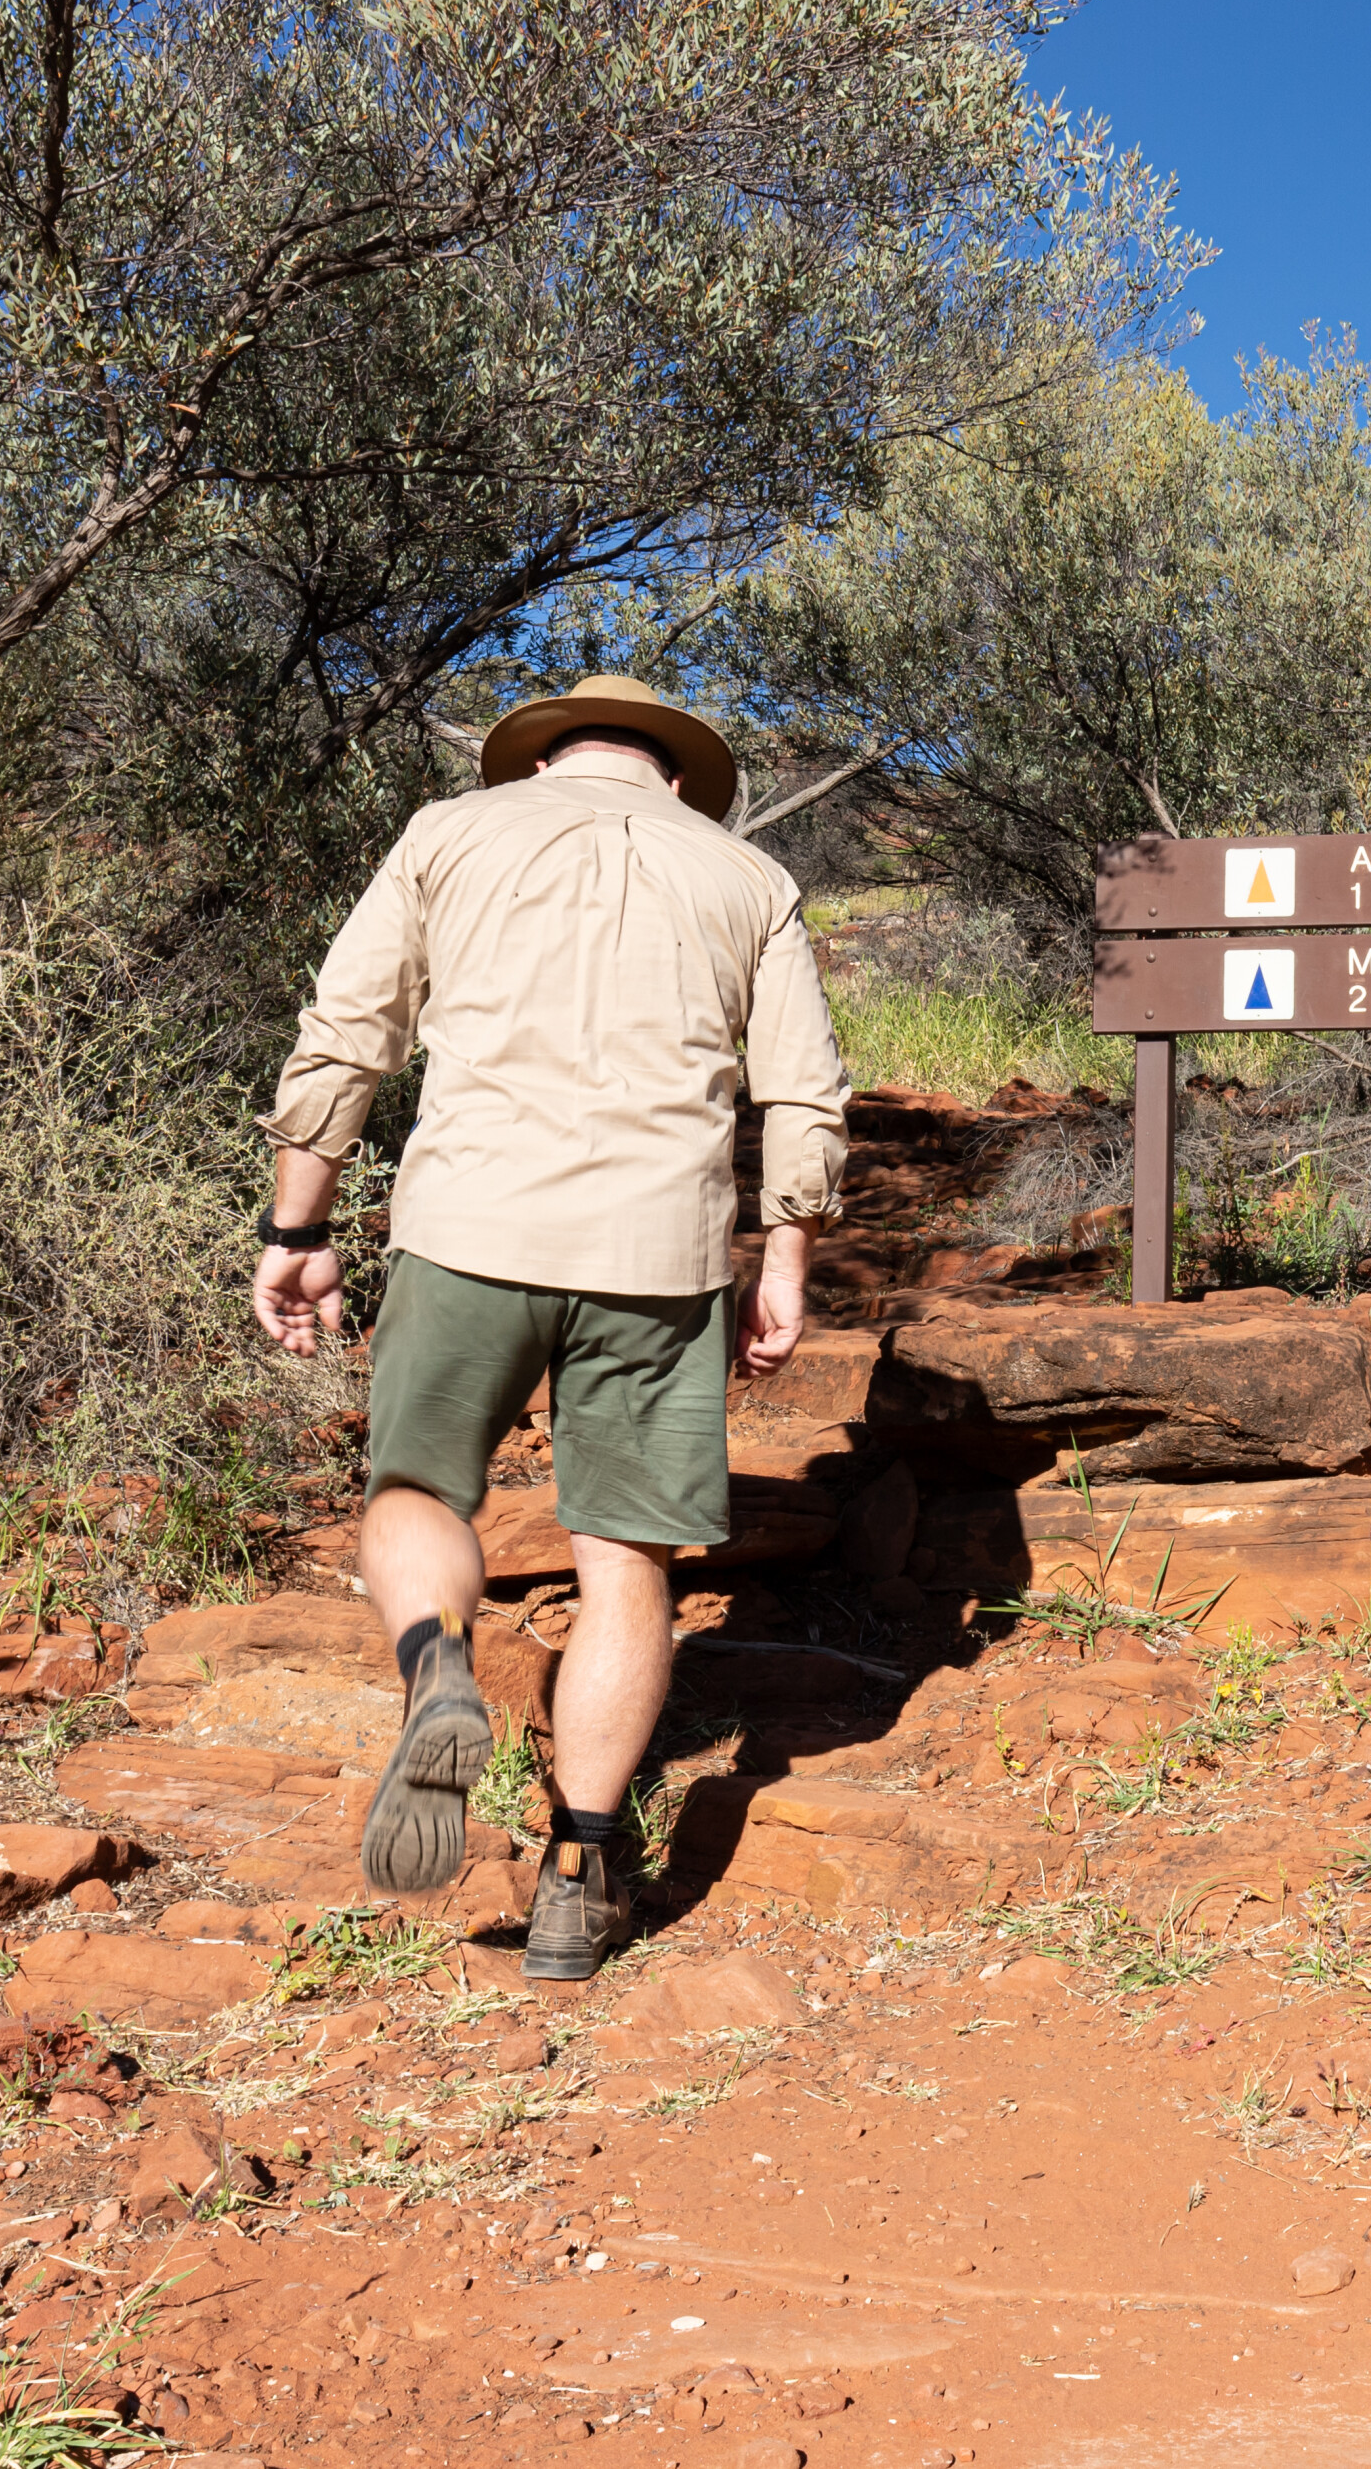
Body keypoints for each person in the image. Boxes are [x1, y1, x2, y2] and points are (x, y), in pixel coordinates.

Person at [246, 675, 848, 1981]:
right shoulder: (748, 880)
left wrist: (299, 1230)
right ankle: (582, 1872)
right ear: (678, 777)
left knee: (415, 1491)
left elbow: (350, 1034)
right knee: (626, 1557)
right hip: (659, 1251)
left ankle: (437, 1670)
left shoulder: (446, 836)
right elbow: (803, 1092)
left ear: (532, 762)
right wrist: (784, 1255)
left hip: (469, 1226)